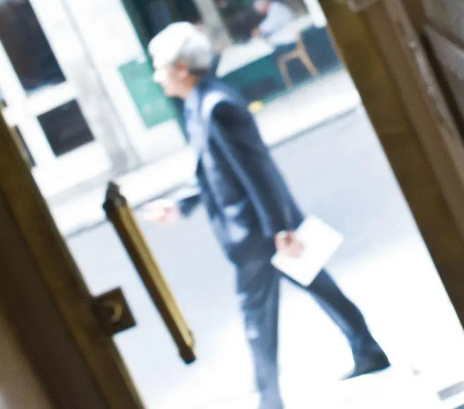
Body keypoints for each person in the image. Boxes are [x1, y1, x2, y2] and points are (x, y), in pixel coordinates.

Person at [143, 23, 389, 409]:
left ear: (181, 68)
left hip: (258, 233)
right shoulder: (197, 105)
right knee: (318, 286)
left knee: (257, 319)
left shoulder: (217, 106)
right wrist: (180, 205)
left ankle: (270, 400)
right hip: (263, 230)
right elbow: (212, 170)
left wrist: (280, 229)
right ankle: (367, 350)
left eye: (159, 67)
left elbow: (256, 169)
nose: (156, 77)